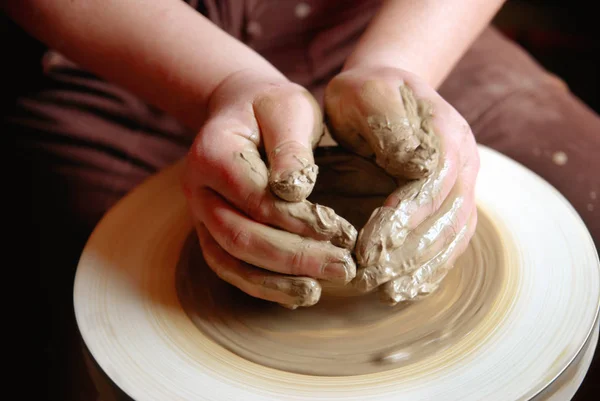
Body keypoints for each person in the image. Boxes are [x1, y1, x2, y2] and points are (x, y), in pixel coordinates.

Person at [2, 1, 599, 400]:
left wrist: (396, 64)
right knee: (66, 329)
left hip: (392, 20)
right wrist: (223, 84)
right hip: (117, 46)